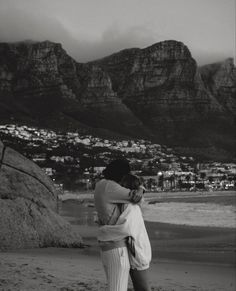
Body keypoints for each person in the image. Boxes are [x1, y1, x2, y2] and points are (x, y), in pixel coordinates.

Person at [94, 159, 150, 291]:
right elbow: (137, 198)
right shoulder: (109, 186)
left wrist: (140, 188)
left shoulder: (102, 185)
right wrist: (141, 189)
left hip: (111, 244)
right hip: (116, 247)